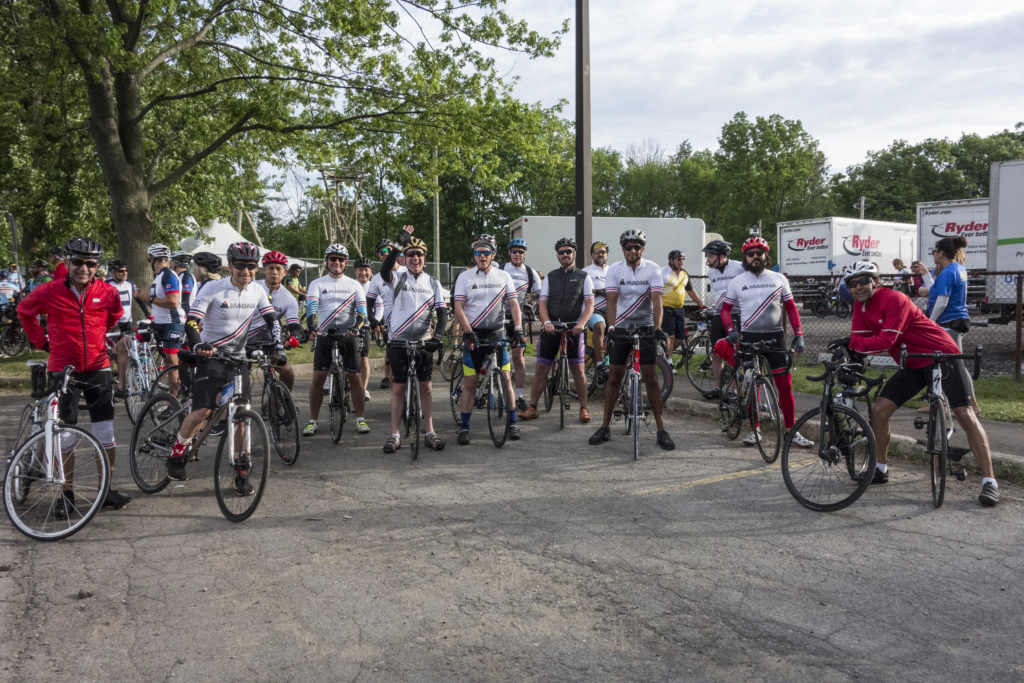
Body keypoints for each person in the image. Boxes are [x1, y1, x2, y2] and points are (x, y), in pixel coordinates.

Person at [830, 261, 1000, 506]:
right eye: (852, 284)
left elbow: (887, 340)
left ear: (876, 281)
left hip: (942, 354)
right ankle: (880, 468)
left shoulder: (895, 299)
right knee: (879, 411)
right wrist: (848, 351)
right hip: (912, 362)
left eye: (864, 281)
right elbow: (859, 340)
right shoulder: (859, 306)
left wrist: (852, 343)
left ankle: (989, 482)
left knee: (965, 414)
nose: (858, 287)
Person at [18, 237, 132, 512]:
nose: (84, 268)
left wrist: (97, 335)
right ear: (68, 263)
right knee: (65, 435)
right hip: (63, 370)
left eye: (90, 264)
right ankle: (66, 494)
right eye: (78, 262)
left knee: (105, 433)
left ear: (97, 266)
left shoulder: (107, 292)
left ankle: (105, 491)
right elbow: (24, 311)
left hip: (98, 367)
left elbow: (114, 316)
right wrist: (42, 342)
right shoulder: (50, 290)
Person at [165, 241, 284, 486]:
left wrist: (278, 347)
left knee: (241, 415)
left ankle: (241, 470)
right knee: (203, 412)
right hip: (211, 357)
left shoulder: (258, 291)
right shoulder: (213, 289)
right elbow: (192, 321)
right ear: (230, 266)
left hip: (238, 360)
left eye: (251, 266)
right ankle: (176, 454)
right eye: (240, 266)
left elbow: (272, 320)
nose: (245, 271)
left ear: (257, 268)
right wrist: (199, 344)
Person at [719, 237, 813, 448]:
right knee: (752, 386)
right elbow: (725, 310)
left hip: (775, 338)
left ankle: (791, 431)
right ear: (745, 257)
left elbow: (791, 308)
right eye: (750, 254)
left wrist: (799, 334)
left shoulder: (779, 278)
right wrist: (731, 331)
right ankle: (755, 429)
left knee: (785, 386)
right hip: (748, 338)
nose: (755, 257)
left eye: (759, 253)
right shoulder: (737, 281)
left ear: (766, 256)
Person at [588, 229, 674, 450]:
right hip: (621, 326)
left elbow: (657, 300)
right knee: (614, 377)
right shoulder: (615, 270)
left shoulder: (653, 269)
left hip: (646, 325)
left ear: (642, 249)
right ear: (623, 249)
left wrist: (657, 328)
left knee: (651, 377)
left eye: (637, 247)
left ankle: (661, 429)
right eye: (628, 247)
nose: (633, 251)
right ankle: (605, 427)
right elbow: (612, 301)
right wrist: (611, 328)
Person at [376, 230, 448, 453]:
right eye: (410, 254)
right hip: (398, 340)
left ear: (424, 258)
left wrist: (437, 336)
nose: (415, 258)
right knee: (398, 388)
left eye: (419, 254)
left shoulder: (433, 283)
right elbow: (384, 270)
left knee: (426, 387)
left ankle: (430, 431)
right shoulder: (397, 278)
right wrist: (398, 244)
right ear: (404, 258)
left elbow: (442, 313)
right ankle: (395, 434)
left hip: (423, 341)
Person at [452, 233, 524, 445]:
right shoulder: (465, 277)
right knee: (470, 383)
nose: (482, 256)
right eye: (478, 252)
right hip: (473, 334)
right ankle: (465, 427)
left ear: (493, 254)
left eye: (486, 252)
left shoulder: (503, 276)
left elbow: (514, 304)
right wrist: (467, 331)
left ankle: (513, 422)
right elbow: (458, 307)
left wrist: (518, 329)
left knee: (506, 379)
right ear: (474, 254)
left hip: (497, 333)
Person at [519, 237, 595, 423]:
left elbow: (589, 304)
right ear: (557, 255)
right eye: (561, 252)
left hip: (574, 328)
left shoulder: (584, 277)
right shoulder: (550, 277)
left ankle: (584, 408)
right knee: (541, 368)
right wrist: (546, 322)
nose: (565, 255)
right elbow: (543, 303)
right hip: (552, 328)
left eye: (568, 251)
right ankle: (532, 407)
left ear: (574, 254)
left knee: (578, 369)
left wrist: (581, 324)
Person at [303, 244, 370, 436]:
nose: (337, 262)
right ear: (327, 261)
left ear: (345, 262)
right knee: (318, 378)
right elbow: (311, 308)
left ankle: (360, 419)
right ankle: (312, 421)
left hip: (348, 334)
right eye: (332, 258)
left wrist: (356, 328)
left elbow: (362, 312)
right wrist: (312, 326)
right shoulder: (317, 283)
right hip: (325, 334)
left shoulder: (354, 285)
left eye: (340, 259)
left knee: (355, 377)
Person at [914, 236, 980, 416]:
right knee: (944, 364)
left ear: (941, 253)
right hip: (955, 321)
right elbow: (935, 290)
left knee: (954, 366)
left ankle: (968, 405)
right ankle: (941, 402)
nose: (933, 254)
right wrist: (925, 274)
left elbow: (942, 301)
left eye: (934, 251)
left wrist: (930, 322)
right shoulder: (956, 269)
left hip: (949, 323)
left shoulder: (948, 272)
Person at [248, 250, 302, 390]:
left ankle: (284, 399)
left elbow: (294, 325)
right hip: (246, 337)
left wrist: (294, 337)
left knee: (287, 371)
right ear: (264, 270)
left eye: (278, 269)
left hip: (271, 339)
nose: (274, 272)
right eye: (271, 268)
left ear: (285, 272)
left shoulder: (289, 299)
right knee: (241, 376)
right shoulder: (252, 287)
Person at [702, 239, 744, 399]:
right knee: (716, 352)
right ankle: (717, 388)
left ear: (721, 256)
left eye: (710, 256)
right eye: (707, 256)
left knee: (735, 352)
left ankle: (733, 390)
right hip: (719, 315)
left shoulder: (739, 267)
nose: (708, 260)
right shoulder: (711, 272)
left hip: (736, 314)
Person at [502, 237, 541, 410]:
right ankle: (490, 390)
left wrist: (533, 306)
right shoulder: (501, 269)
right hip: (499, 318)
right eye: (514, 251)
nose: (517, 254)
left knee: (518, 359)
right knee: (495, 357)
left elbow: (540, 295)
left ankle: (519, 396)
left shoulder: (530, 273)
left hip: (518, 320)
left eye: (521, 252)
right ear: (509, 253)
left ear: (525, 254)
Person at [146, 243, 186, 395]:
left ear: (154, 259)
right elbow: (156, 302)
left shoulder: (168, 275)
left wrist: (149, 298)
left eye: (149, 258)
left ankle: (173, 399)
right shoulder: (159, 276)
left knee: (171, 362)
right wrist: (144, 298)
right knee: (169, 362)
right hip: (161, 322)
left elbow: (173, 302)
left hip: (172, 323)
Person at [368, 238, 404, 391]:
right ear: (379, 256)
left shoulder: (407, 272)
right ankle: (389, 378)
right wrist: (373, 319)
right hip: (391, 323)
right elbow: (369, 303)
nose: (386, 253)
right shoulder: (376, 279)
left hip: (409, 320)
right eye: (382, 252)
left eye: (389, 250)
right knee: (391, 355)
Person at [661, 249, 704, 361]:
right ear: (671, 261)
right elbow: (655, 291)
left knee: (679, 339)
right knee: (670, 336)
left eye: (683, 259)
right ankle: (668, 362)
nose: (681, 262)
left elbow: (690, 291)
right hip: (665, 308)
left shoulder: (684, 274)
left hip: (679, 309)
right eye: (679, 259)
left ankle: (665, 355)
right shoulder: (663, 272)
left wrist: (702, 305)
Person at [583, 241, 610, 379]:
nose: (600, 254)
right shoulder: (586, 271)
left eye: (603, 252)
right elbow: (580, 292)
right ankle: (600, 365)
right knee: (600, 326)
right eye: (597, 252)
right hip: (594, 309)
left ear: (607, 254)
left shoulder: (614, 270)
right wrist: (598, 291)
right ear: (592, 255)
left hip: (612, 310)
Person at [353, 256, 379, 400]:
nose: (363, 273)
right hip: (349, 325)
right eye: (360, 270)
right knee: (344, 357)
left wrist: (376, 321)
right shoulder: (350, 285)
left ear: (371, 272)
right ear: (355, 271)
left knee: (364, 359)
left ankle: (363, 389)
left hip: (365, 326)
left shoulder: (373, 286)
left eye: (366, 270)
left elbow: (380, 306)